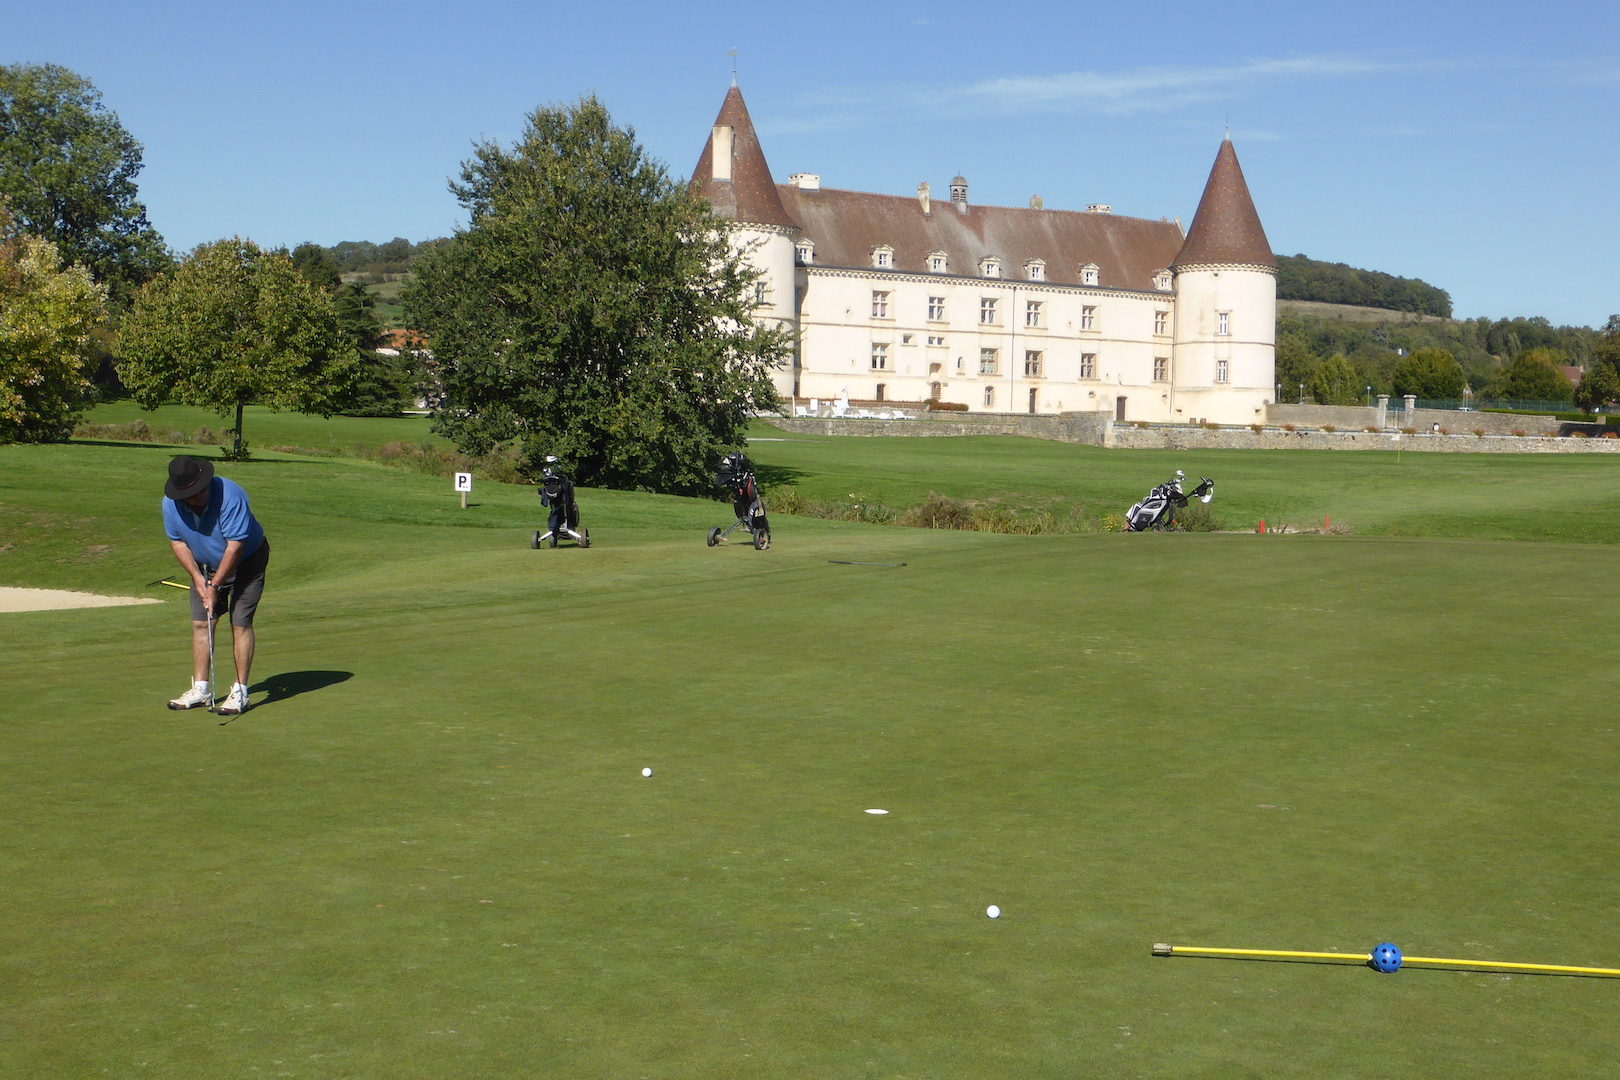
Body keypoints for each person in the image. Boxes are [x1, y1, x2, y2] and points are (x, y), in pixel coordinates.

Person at [161, 456, 269, 715]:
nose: (197, 497)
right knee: (201, 622)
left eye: (200, 491)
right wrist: (199, 580)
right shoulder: (170, 506)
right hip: (205, 566)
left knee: (240, 621)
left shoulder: (231, 496)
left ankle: (241, 692)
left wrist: (215, 585)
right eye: (190, 494)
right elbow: (177, 542)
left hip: (247, 561)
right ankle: (201, 689)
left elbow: (235, 547)